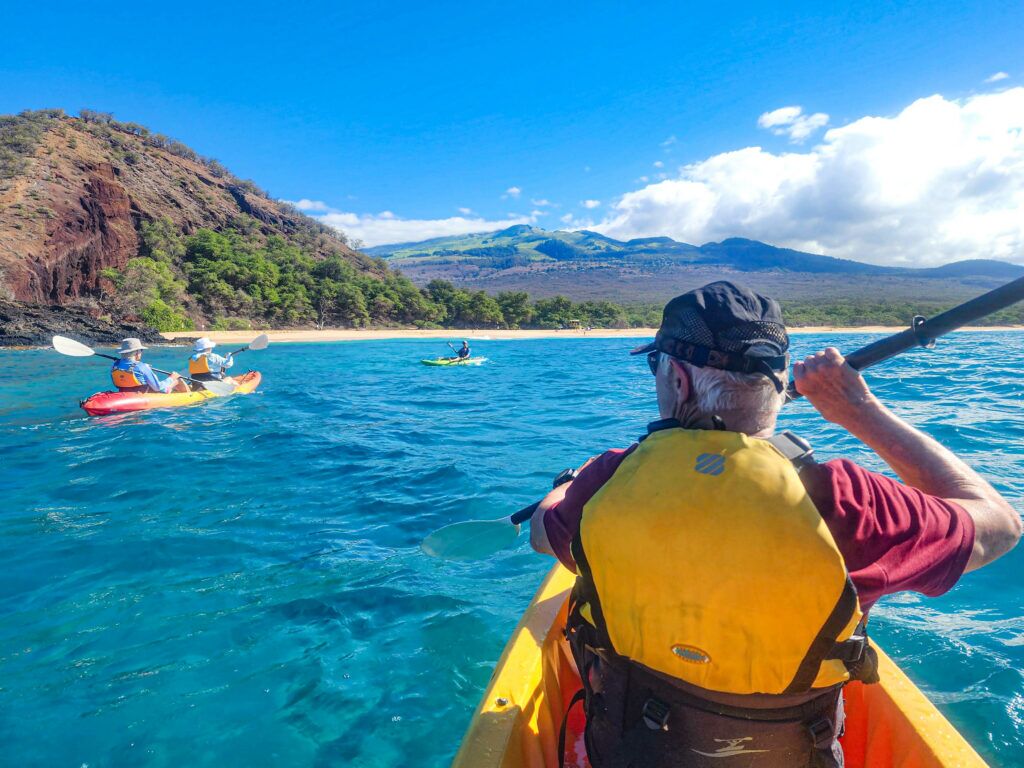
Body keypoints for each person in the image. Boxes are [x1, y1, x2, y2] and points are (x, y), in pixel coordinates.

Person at [529, 281, 1021, 767]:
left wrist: (569, 484)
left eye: (656, 364)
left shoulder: (609, 478)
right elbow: (1000, 525)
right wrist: (860, 412)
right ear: (781, 384)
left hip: (630, 750)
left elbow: (541, 532)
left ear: (677, 378)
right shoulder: (848, 500)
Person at [110, 338, 186, 394]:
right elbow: (157, 387)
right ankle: (190, 397)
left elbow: (117, 384)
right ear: (137, 353)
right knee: (177, 379)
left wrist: (144, 367)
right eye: (141, 351)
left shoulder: (114, 365)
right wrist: (171, 378)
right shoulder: (142, 367)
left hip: (124, 393)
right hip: (143, 396)